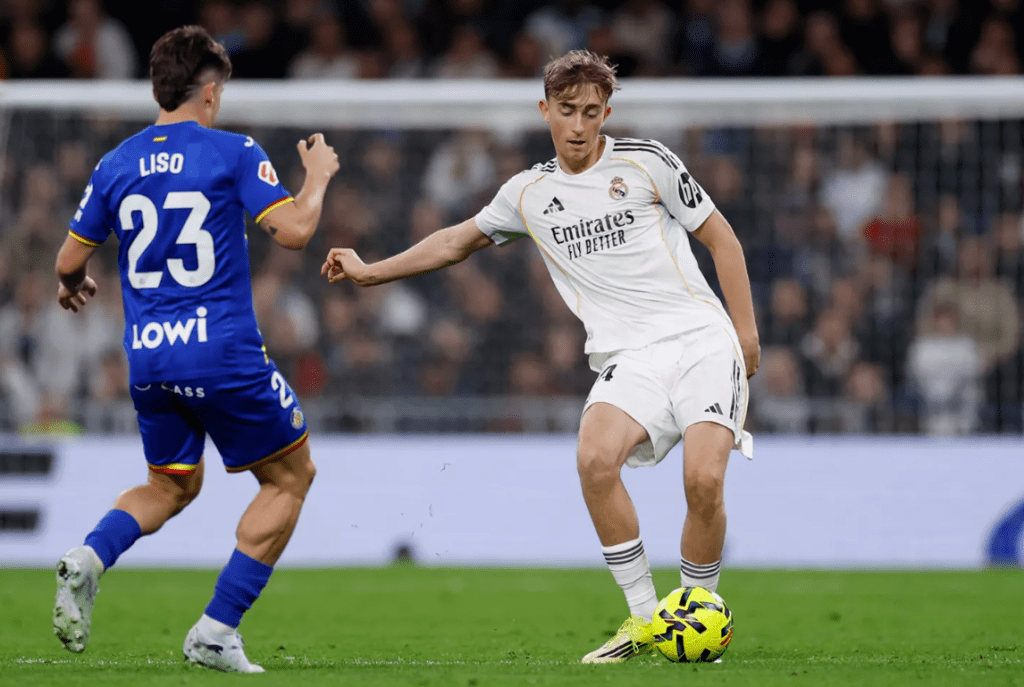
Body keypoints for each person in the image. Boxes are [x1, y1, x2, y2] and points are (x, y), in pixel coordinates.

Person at [321, 49, 759, 664]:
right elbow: (454, 242)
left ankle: (695, 613)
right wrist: (371, 272)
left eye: (591, 112)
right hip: (629, 355)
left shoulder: (648, 162)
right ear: (544, 110)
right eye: (567, 110)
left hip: (701, 339)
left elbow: (721, 237)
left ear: (606, 114)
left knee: (703, 480)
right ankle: (643, 619)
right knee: (594, 460)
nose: (579, 125)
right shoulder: (527, 193)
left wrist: (745, 333)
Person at [51, 26, 339, 673]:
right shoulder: (232, 152)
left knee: (169, 484)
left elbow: (68, 261)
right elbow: (294, 230)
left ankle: (89, 557)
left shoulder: (115, 163)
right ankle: (216, 628)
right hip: (221, 355)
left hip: (149, 358)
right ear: (209, 91)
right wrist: (317, 178)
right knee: (291, 476)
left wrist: (72, 286)